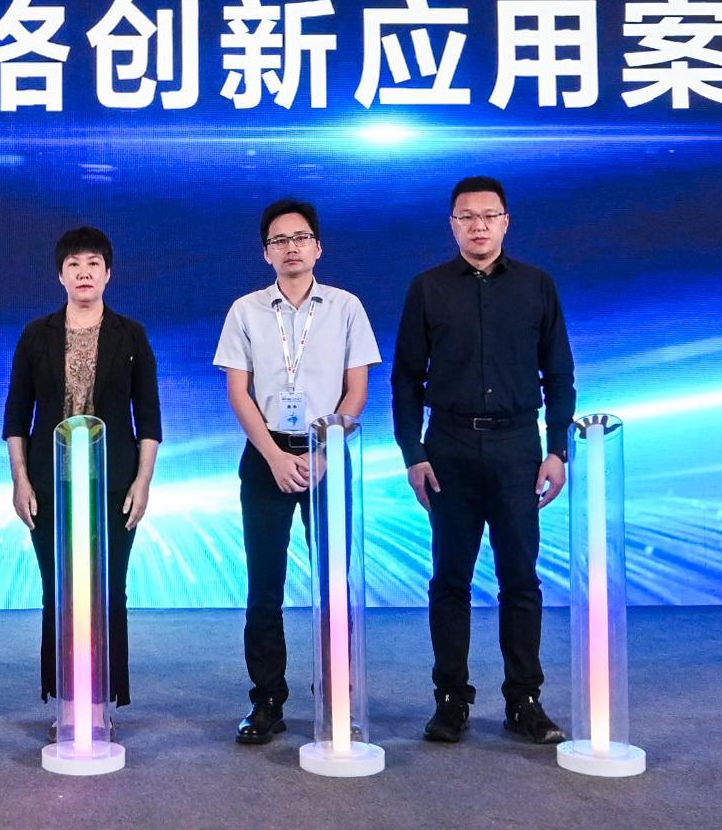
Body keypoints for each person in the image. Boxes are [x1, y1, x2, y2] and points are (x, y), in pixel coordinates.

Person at [390, 174, 576, 746]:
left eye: (489, 216)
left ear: (506, 222)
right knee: (451, 578)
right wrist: (412, 452)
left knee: (520, 578)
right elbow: (405, 379)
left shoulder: (537, 285)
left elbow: (559, 374)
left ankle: (525, 700)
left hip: (518, 447)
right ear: (452, 224)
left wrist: (557, 449)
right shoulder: (427, 288)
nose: (478, 226)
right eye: (466, 217)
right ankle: (450, 700)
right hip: (448, 447)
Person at [213, 196, 377, 747]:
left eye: (300, 238)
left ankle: (336, 695)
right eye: (279, 241)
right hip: (266, 456)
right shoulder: (245, 311)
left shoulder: (346, 307)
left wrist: (325, 451)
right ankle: (267, 699)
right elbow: (239, 393)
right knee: (265, 585)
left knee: (334, 583)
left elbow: (357, 390)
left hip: (328, 452)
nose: (291, 248)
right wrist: (275, 456)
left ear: (318, 247)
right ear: (266, 253)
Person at [6, 225, 162, 717]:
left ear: (108, 273)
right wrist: (20, 479)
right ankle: (67, 702)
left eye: (93, 263)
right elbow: (16, 417)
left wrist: (143, 481)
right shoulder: (36, 335)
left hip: (113, 483)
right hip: (49, 483)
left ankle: (101, 703)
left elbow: (149, 418)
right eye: (73, 264)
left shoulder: (131, 335)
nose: (84, 272)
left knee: (109, 589)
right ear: (60, 275)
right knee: (59, 589)